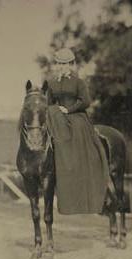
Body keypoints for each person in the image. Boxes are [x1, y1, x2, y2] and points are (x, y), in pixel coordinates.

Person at [46, 48, 109, 214]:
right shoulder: (52, 83)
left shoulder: (78, 82)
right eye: (59, 63)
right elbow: (49, 103)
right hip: (58, 118)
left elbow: (86, 101)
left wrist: (68, 110)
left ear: (71, 64)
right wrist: (56, 110)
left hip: (76, 116)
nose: (61, 66)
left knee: (78, 131)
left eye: (65, 63)